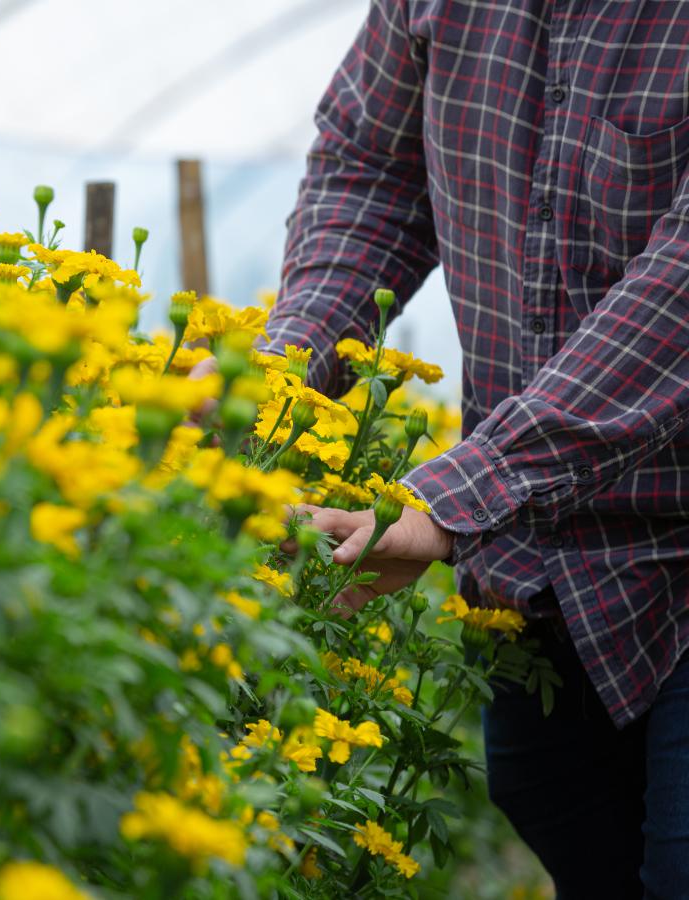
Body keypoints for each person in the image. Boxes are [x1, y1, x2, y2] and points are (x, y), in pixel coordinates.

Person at [238, 2, 689, 896]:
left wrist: (453, 498)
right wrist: (278, 379)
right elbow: (374, 166)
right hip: (535, 572)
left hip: (663, 547)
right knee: (565, 819)